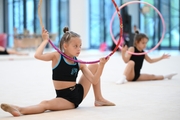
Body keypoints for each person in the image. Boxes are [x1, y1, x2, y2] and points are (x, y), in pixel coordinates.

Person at [1, 27, 115, 117]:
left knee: (94, 65)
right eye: (75, 46)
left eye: (80, 46)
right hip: (63, 97)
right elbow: (37, 55)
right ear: (65, 46)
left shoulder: (80, 62)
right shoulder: (56, 56)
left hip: (75, 96)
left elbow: (94, 80)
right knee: (45, 104)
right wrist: (45, 40)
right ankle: (18, 109)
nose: (79, 49)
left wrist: (102, 66)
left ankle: (99, 99)